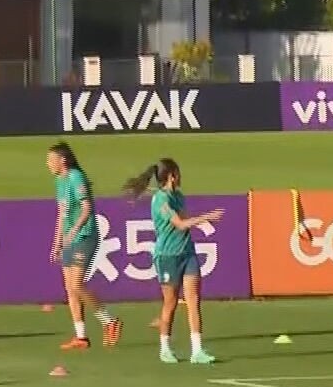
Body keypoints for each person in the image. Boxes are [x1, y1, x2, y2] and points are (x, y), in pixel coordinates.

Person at [123, 159, 224, 364]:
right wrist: (206, 217)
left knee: (193, 300)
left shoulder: (177, 196)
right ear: (172, 175)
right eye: (178, 173)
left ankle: (197, 350)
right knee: (170, 303)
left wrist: (199, 221)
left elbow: (184, 220)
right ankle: (165, 348)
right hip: (167, 256)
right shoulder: (161, 201)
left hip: (187, 253)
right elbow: (179, 223)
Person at [47, 142, 121, 352]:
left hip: (85, 235)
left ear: (62, 160)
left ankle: (109, 321)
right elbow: (61, 214)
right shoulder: (59, 182)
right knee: (70, 288)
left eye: (51, 159)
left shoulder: (76, 177)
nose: (48, 164)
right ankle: (81, 336)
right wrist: (57, 242)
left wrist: (74, 230)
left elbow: (87, 208)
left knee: (78, 285)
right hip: (70, 238)